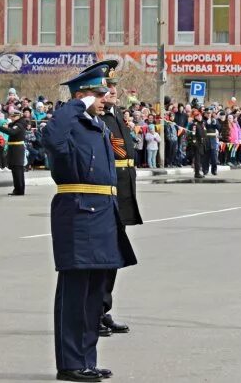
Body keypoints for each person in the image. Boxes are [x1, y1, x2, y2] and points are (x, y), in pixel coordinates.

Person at [41, 64, 137, 383]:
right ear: (80, 96)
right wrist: (76, 103)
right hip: (78, 214)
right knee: (75, 294)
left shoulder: (98, 125)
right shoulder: (70, 124)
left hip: (103, 215)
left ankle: (86, 360)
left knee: (94, 294)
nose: (104, 97)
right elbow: (51, 138)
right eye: (97, 93)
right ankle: (70, 362)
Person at [94, 60, 142, 338]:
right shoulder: (96, 118)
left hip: (122, 193)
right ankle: (93, 312)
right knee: (102, 256)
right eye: (106, 88)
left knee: (112, 257)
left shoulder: (116, 115)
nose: (112, 92)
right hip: (106, 193)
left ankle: (103, 309)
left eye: (113, 87)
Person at [0, 109, 27, 196]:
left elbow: (12, 132)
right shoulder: (17, 123)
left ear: (19, 116)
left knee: (17, 170)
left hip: (16, 149)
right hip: (15, 148)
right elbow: (10, 126)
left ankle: (19, 190)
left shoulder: (19, 124)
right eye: (12, 116)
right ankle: (19, 189)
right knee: (17, 169)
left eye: (14, 116)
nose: (13, 118)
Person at [188, 110, 207, 179]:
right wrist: (195, 143)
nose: (199, 117)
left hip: (202, 144)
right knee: (197, 159)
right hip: (197, 144)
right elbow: (193, 134)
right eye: (197, 116)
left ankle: (199, 171)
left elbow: (204, 134)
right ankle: (197, 173)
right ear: (195, 117)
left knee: (200, 159)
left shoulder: (202, 124)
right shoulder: (195, 124)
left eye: (200, 115)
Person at [202, 109, 220, 176]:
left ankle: (214, 170)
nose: (209, 114)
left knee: (214, 157)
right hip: (206, 140)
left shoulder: (214, 120)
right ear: (205, 114)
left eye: (210, 113)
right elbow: (202, 128)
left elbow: (219, 128)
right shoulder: (203, 121)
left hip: (213, 140)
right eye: (207, 113)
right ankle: (205, 170)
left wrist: (215, 123)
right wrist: (206, 123)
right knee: (205, 157)